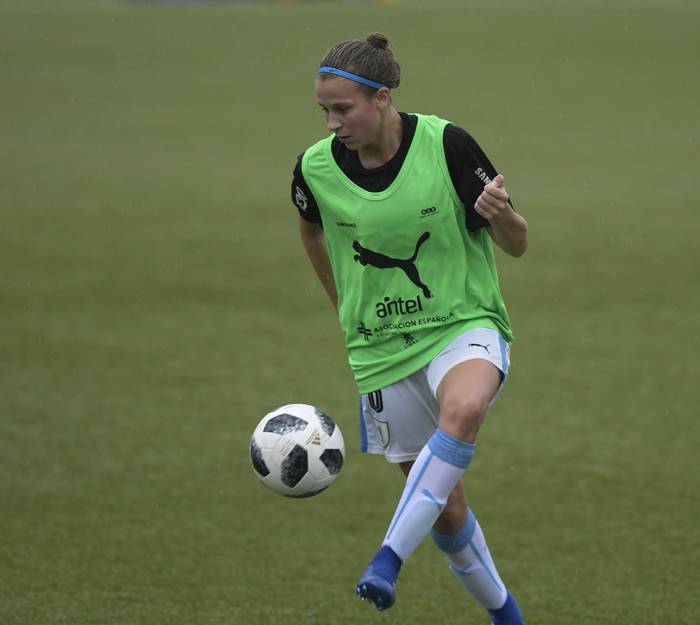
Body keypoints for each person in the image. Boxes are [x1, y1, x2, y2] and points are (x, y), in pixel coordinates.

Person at [291, 32, 528, 625]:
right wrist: (340, 298)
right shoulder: (315, 168)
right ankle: (506, 614)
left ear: (382, 98)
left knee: (465, 410)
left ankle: (387, 559)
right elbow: (311, 226)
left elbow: (517, 244)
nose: (331, 123)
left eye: (342, 109)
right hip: (380, 348)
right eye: (324, 110)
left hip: (461, 322)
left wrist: (504, 217)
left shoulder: (446, 144)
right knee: (446, 511)